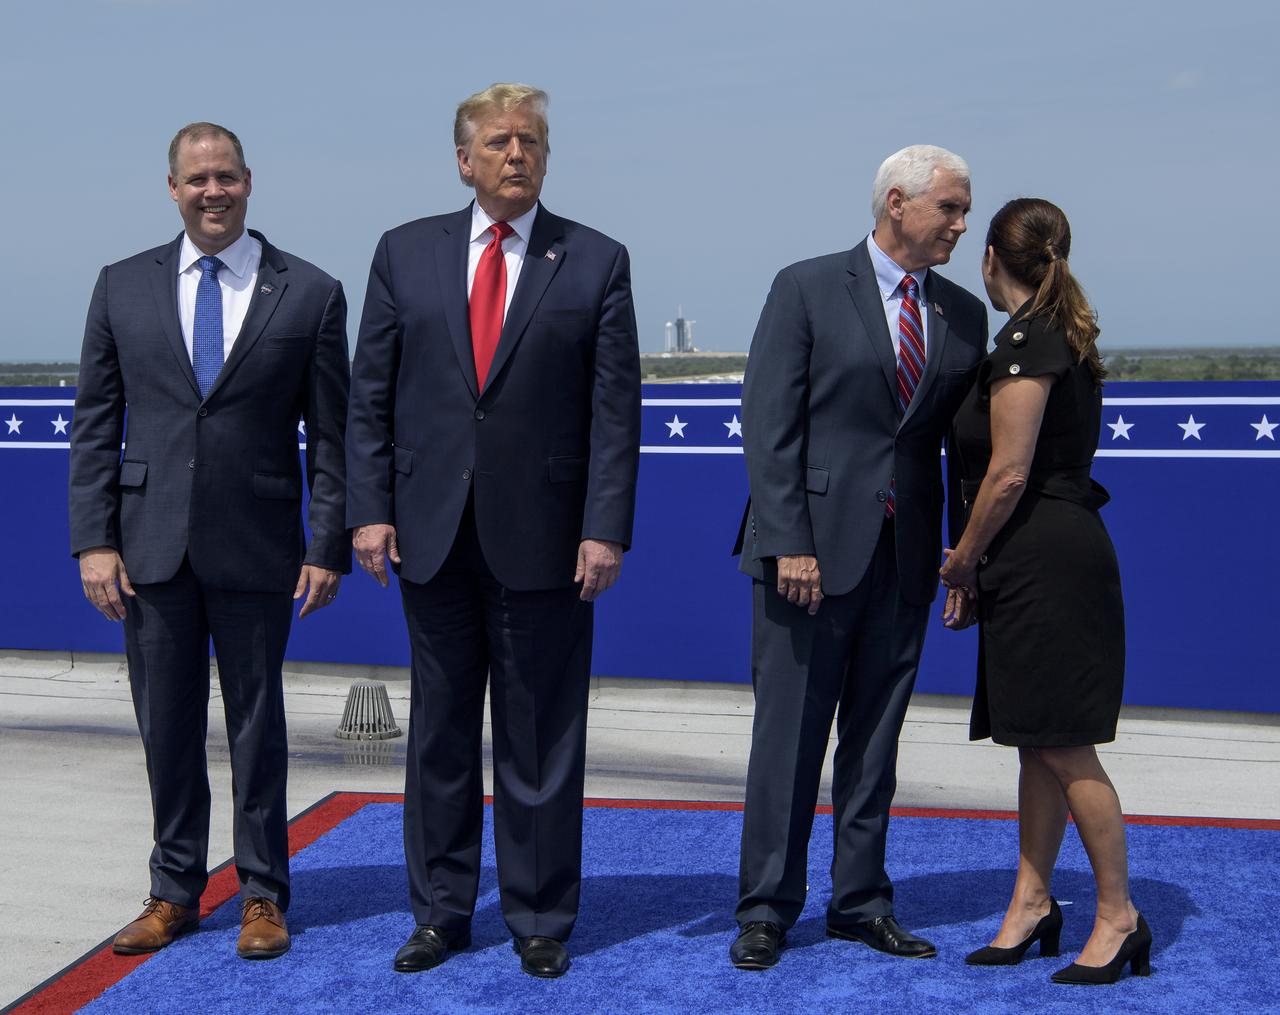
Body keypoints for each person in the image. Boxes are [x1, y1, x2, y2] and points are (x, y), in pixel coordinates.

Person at [345, 83, 640, 979]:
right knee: (438, 731)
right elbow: (372, 394)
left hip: (549, 537)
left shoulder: (594, 259)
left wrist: (604, 527)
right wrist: (370, 507)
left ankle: (542, 913)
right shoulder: (404, 252)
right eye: (502, 141)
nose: (519, 154)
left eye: (534, 141)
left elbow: (613, 411)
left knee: (541, 732)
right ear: (464, 159)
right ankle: (440, 909)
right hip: (430, 531)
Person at [69, 123, 350, 960]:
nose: (212, 192)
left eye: (225, 177)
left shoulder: (311, 291)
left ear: (248, 182)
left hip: (260, 544)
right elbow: (95, 426)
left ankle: (263, 892)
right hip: (147, 546)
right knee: (166, 724)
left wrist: (327, 541)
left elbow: (331, 436)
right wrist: (94, 539)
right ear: (172, 188)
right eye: (196, 180)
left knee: (257, 725)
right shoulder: (121, 285)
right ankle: (173, 890)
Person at [731, 145, 987, 969]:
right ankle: (767, 907)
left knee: (875, 741)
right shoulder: (804, 285)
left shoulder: (961, 313)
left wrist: (964, 555)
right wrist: (789, 541)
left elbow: (956, 447)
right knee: (789, 741)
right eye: (949, 208)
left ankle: (861, 901)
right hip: (808, 558)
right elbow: (767, 426)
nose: (959, 224)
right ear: (895, 204)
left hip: (905, 558)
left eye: (964, 210)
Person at [939, 197, 1150, 985]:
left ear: (993, 257)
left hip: (1044, 559)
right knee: (1035, 737)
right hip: (1030, 555)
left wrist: (961, 560)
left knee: (1063, 740)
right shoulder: (1050, 334)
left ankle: (1118, 916)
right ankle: (1032, 902)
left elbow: (1009, 471)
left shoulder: (1029, 342)